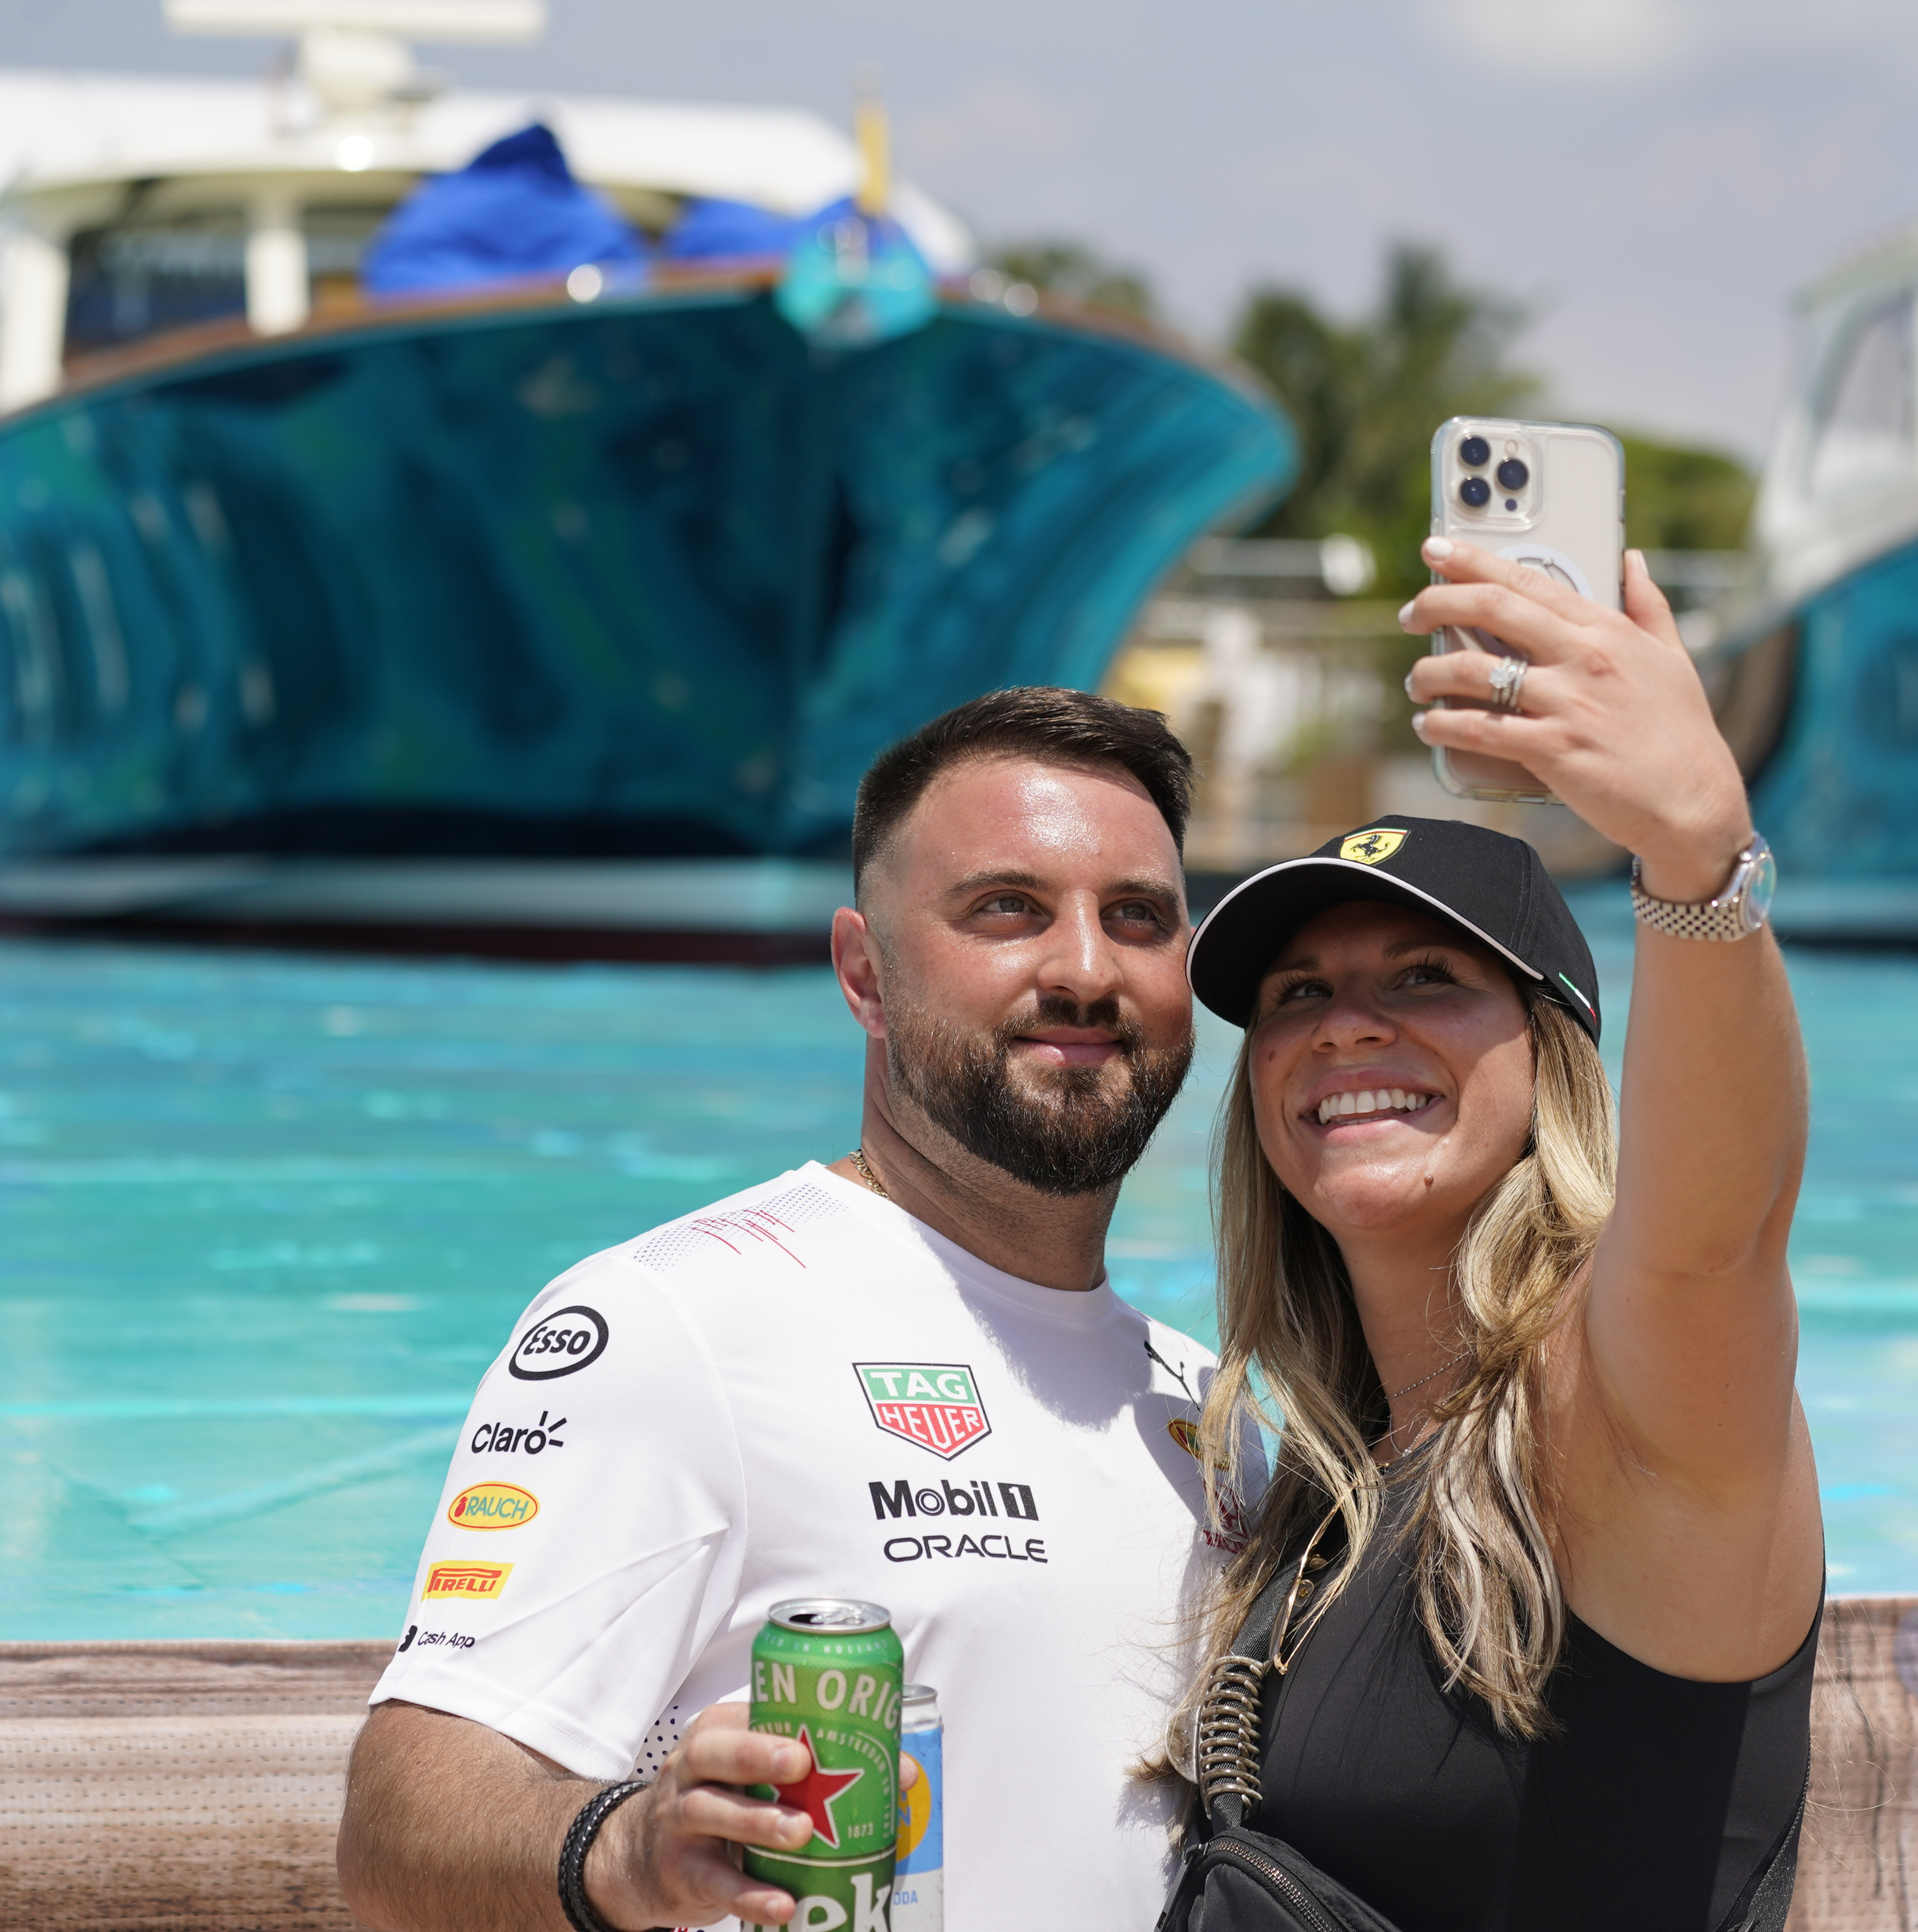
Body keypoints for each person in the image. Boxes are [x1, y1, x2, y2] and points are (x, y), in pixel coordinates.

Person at [339, 687, 1249, 1932]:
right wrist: (627, 1850)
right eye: (1007, 909)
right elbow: (400, 1827)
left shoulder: (1207, 1406)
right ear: (865, 975)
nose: (1086, 970)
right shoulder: (674, 1325)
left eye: (1136, 917)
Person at [1163, 537, 1822, 1932]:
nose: (1347, 1025)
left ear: (1553, 1058)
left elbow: (1714, 1240)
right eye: (1296, 992)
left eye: (1426, 977)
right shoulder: (1328, 1488)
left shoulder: (1611, 1413)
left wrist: (1696, 858)